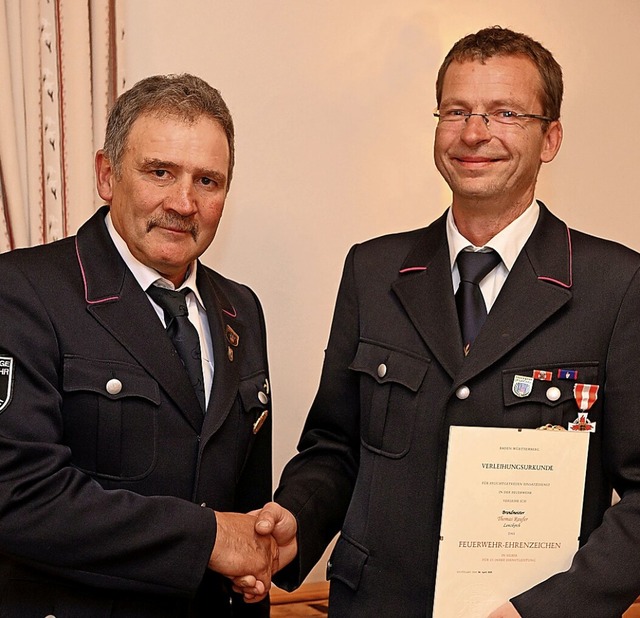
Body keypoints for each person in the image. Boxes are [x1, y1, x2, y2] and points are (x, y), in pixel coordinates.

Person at [242, 26, 640, 617]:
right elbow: (335, 447)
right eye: (456, 111)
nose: (475, 133)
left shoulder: (616, 285)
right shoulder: (373, 270)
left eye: (504, 113)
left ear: (550, 137)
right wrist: (293, 521)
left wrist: (545, 611)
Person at [0, 74, 278, 617]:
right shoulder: (23, 292)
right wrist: (210, 540)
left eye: (208, 181)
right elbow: (19, 496)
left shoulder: (240, 309)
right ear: (107, 175)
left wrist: (252, 559)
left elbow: (244, 498)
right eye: (160, 173)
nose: (184, 202)